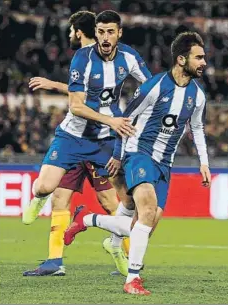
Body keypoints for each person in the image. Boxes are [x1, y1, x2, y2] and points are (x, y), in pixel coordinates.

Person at [64, 31, 212, 295]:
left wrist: (204, 162)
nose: (204, 62)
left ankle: (87, 219)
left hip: (165, 165)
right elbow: (126, 120)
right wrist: (119, 156)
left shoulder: (198, 95)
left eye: (204, 57)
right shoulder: (154, 86)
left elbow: (197, 128)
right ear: (181, 59)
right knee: (145, 212)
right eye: (198, 57)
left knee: (143, 225)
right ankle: (132, 279)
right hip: (139, 154)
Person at [23, 10, 152, 276]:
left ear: (119, 33)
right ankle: (38, 197)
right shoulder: (82, 58)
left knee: (125, 200)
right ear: (95, 32)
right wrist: (112, 120)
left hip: (105, 140)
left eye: (111, 32)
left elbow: (151, 87)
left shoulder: (128, 57)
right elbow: (76, 105)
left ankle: (118, 248)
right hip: (73, 136)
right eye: (101, 31)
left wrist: (144, 113)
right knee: (46, 186)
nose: (105, 37)